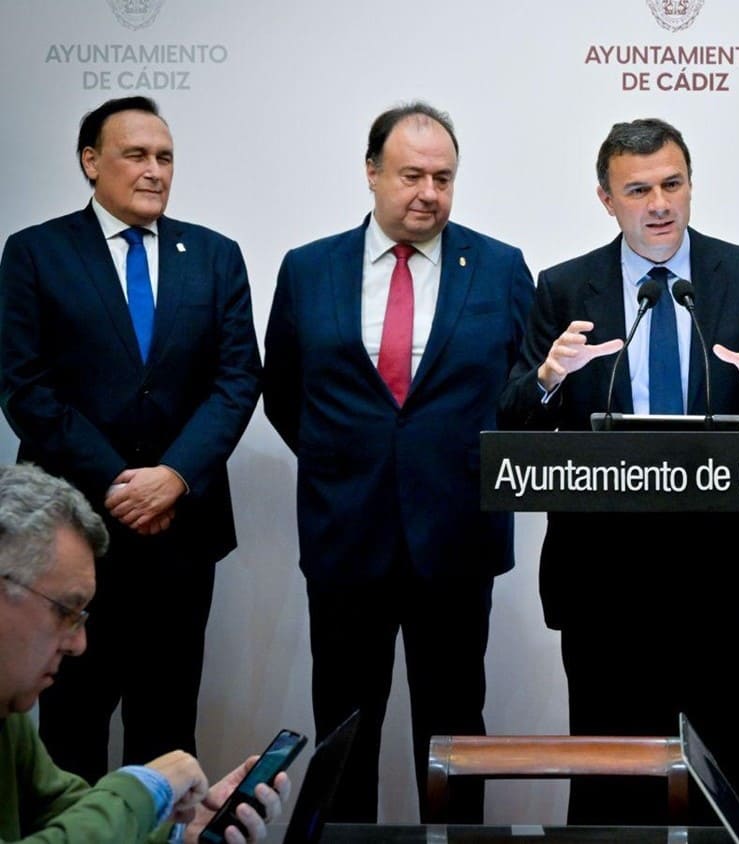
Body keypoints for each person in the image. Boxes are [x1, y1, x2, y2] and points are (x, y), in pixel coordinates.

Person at [498, 117, 739, 825]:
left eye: (672, 184)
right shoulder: (566, 286)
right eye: (638, 189)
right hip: (603, 577)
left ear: (691, 184)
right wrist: (548, 375)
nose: (659, 203)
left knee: (720, 773)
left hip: (719, 574)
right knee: (609, 780)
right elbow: (514, 422)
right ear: (607, 199)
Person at [262, 101, 534, 823]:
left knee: (453, 733)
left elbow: (522, 392)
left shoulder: (501, 267)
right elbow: (285, 393)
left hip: (457, 536)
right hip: (346, 535)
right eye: (412, 174)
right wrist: (350, 463)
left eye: (444, 178)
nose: (429, 193)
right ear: (371, 172)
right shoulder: (309, 268)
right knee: (346, 732)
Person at [0, 96, 262, 783]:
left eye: (165, 157)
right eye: (136, 155)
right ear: (91, 162)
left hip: (180, 538)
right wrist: (122, 481)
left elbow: (238, 381)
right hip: (75, 536)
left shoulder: (213, 256)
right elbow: (26, 388)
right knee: (70, 730)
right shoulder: (35, 253)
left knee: (168, 732)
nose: (154, 171)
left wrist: (173, 476)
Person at [0, 463, 289, 843]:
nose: (78, 643)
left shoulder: (7, 707)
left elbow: (62, 810)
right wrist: (144, 787)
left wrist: (180, 831)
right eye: (64, 611)